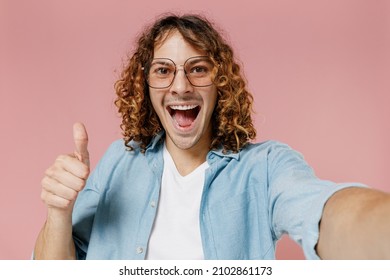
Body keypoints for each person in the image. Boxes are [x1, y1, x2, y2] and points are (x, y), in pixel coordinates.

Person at [34, 13, 390, 260]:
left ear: (221, 84)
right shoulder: (117, 161)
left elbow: (324, 213)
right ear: (145, 85)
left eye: (198, 69)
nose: (181, 86)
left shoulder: (265, 168)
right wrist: (58, 212)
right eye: (163, 70)